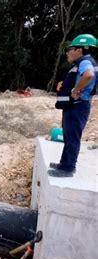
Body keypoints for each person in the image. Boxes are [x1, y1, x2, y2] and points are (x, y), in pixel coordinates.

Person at [50, 34, 97, 177]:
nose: (67, 53)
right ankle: (64, 163)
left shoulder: (85, 62)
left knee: (72, 137)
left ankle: (68, 168)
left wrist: (76, 90)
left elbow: (88, 75)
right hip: (75, 106)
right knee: (69, 135)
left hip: (78, 106)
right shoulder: (83, 63)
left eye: (70, 49)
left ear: (79, 50)